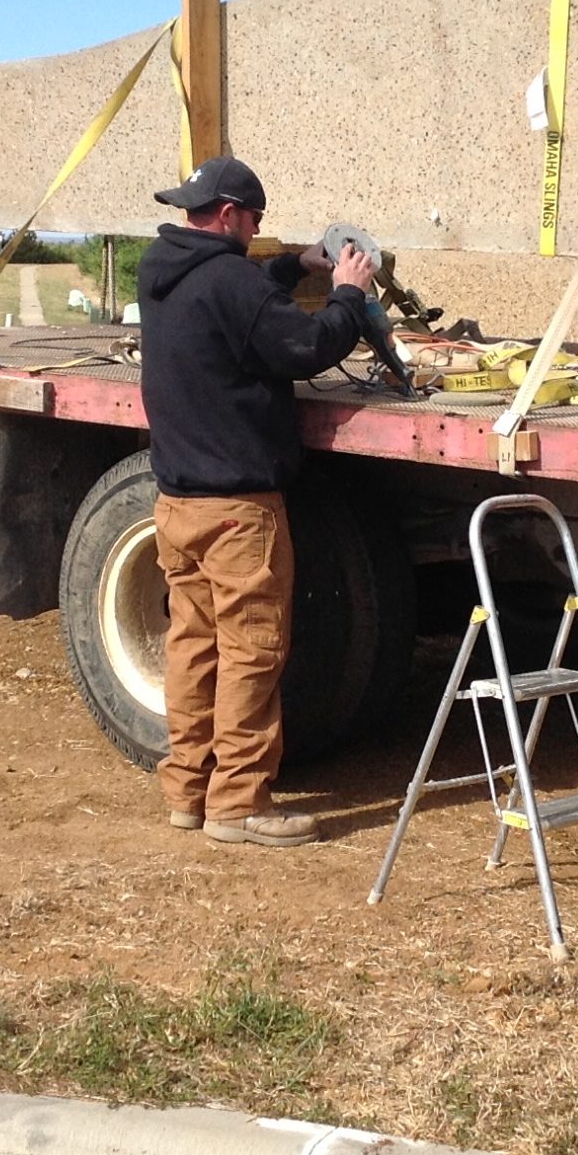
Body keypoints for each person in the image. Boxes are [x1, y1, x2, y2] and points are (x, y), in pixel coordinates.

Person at [136, 156, 373, 847]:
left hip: (178, 505)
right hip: (239, 510)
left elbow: (237, 308)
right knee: (252, 652)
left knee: (193, 646)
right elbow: (305, 344)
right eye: (255, 221)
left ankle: (187, 789)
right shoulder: (230, 282)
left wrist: (292, 266)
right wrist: (349, 293)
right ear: (233, 215)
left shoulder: (162, 269)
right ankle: (239, 804)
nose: (256, 231)